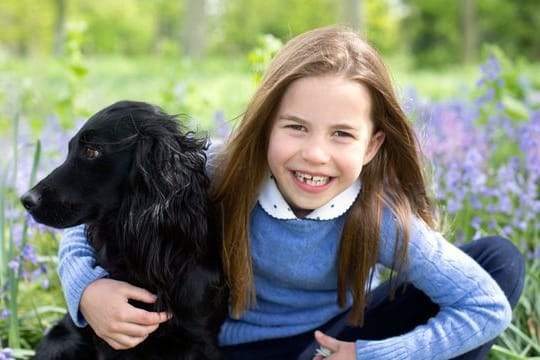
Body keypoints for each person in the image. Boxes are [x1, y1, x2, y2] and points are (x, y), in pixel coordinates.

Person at [57, 26, 525, 359]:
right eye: (296, 127)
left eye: (342, 134)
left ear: (372, 145)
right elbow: (92, 203)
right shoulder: (225, 171)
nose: (315, 155)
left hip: (333, 342)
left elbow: (485, 307)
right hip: (236, 350)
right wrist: (87, 291)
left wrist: (374, 354)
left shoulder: (377, 214)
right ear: (265, 127)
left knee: (499, 260)